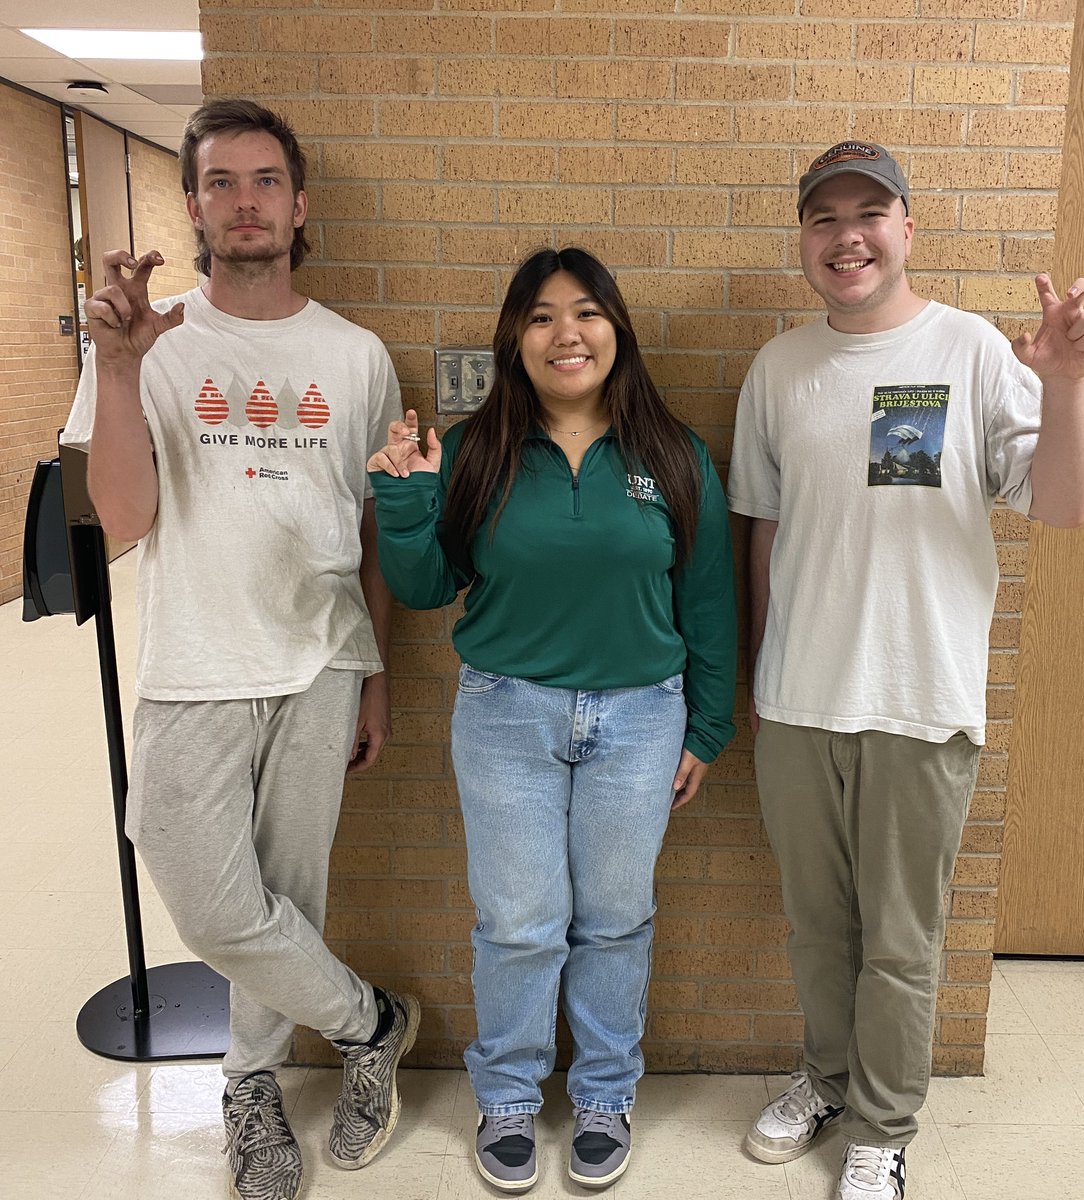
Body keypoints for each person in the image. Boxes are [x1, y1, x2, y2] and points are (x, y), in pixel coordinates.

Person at [729, 141, 1084, 1200]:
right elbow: (762, 533)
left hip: (921, 699)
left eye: (869, 213)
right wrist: (760, 678)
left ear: (906, 226)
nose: (847, 236)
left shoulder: (973, 350)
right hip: (799, 701)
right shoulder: (780, 368)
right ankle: (828, 1076)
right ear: (804, 238)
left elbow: (1064, 505)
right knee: (816, 926)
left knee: (900, 940)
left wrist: (1065, 384)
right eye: (824, 218)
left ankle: (883, 1130)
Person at [61, 99, 418, 1200]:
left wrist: (376, 672)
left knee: (287, 898)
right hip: (193, 662)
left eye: (266, 180)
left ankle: (250, 1085)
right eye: (223, 182)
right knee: (212, 903)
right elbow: (123, 519)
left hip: (319, 662)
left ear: (299, 204)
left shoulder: (356, 355)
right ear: (194, 206)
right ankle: (372, 1023)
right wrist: (116, 369)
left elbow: (373, 527)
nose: (247, 201)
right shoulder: (148, 341)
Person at [368, 246, 736, 1192]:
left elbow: (708, 602)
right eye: (539, 316)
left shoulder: (672, 454)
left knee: (615, 920)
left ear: (616, 329)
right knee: (521, 922)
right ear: (514, 339)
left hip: (642, 719)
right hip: (504, 717)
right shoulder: (478, 450)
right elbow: (422, 589)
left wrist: (705, 727)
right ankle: (512, 1096)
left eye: (584, 312)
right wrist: (405, 499)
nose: (564, 333)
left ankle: (608, 1092)